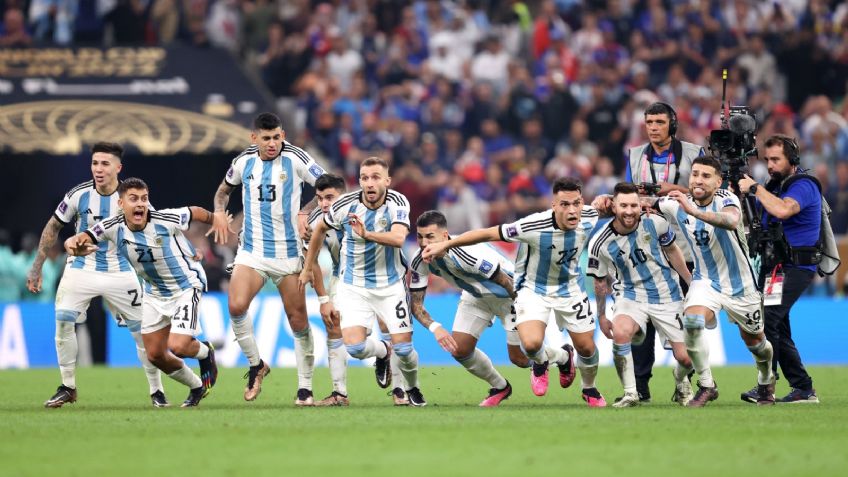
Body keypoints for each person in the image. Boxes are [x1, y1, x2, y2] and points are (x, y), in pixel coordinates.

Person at [423, 178, 608, 407]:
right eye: (564, 204)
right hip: (531, 288)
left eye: (576, 203)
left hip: (562, 289)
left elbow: (614, 207)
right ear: (554, 205)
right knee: (527, 346)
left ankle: (587, 386)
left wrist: (611, 201)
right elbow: (489, 233)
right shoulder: (533, 225)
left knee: (584, 347)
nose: (572, 210)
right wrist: (447, 245)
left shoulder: (589, 215)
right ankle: (506, 382)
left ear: (582, 203)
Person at [27, 142, 167, 408]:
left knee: (143, 333)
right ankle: (68, 386)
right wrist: (37, 266)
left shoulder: (132, 196)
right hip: (82, 268)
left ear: (118, 167)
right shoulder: (78, 195)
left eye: (105, 164)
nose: (98, 169)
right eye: (94, 163)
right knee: (64, 322)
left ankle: (156, 391)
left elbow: (154, 233)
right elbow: (53, 225)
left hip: (121, 270)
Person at [63, 178, 218, 407]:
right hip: (154, 293)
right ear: (121, 203)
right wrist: (72, 245)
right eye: (133, 199)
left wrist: (218, 219)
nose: (140, 204)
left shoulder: (164, 219)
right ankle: (196, 386)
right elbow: (80, 238)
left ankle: (206, 353)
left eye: (144, 199)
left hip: (185, 286)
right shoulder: (111, 226)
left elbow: (194, 212)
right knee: (154, 355)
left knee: (178, 346)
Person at [208, 112, 326, 404]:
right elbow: (223, 193)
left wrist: (306, 210)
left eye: (276, 137)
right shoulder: (243, 161)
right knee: (235, 306)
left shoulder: (297, 158)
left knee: (298, 321)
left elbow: (329, 187)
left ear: (282, 135)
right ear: (254, 138)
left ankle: (305, 387)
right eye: (266, 138)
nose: (272, 143)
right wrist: (220, 212)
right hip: (253, 251)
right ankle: (256, 364)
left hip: (288, 252)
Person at [299, 157, 427, 406]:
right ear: (359, 181)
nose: (370, 183)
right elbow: (319, 231)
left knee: (404, 348)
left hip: (390, 284)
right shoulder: (343, 206)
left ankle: (409, 387)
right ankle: (382, 352)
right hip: (353, 284)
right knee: (355, 347)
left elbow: (399, 238)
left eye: (376, 177)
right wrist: (306, 269)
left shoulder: (398, 202)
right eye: (365, 178)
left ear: (387, 181)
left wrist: (367, 234)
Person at [655, 156, 775, 407]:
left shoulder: (726, 199)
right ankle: (707, 385)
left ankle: (766, 379)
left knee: (756, 343)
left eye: (706, 176)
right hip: (705, 281)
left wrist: (694, 211)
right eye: (695, 174)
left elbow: (731, 220)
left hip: (740, 285)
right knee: (693, 321)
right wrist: (609, 203)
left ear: (718, 181)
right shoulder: (675, 203)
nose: (699, 179)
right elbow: (643, 204)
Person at [587, 182, 694, 408]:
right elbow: (599, 281)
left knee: (686, 358)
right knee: (621, 332)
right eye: (623, 205)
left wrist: (690, 283)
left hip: (667, 294)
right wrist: (602, 316)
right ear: (614, 207)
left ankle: (680, 378)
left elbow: (673, 251)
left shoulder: (656, 222)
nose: (629, 211)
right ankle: (630, 393)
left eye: (633, 205)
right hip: (630, 295)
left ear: (640, 205)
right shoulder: (599, 242)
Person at [410, 210, 531, 407]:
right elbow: (416, 304)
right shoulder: (419, 259)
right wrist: (435, 328)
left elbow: (504, 280)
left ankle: (561, 356)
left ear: (444, 235)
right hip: (475, 296)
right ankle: (500, 387)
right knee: (460, 350)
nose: (424, 243)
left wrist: (523, 306)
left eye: (430, 237)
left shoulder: (466, 252)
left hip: (508, 295)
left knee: (519, 358)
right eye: (420, 237)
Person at [624, 102, 703, 403]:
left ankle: (686, 381)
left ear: (672, 123)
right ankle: (640, 386)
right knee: (641, 323)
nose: (653, 127)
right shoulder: (633, 156)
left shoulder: (695, 154)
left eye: (659, 121)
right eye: (649, 122)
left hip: (686, 247)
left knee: (687, 321)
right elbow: (625, 194)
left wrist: (676, 190)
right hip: (645, 248)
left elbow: (709, 191)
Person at [737, 135, 822, 403]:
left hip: (797, 264)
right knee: (778, 326)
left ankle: (766, 386)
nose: (770, 165)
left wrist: (754, 190)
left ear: (792, 160)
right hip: (777, 267)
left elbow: (785, 210)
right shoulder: (773, 186)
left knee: (769, 318)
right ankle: (803, 388)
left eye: (776, 159)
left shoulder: (804, 185)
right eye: (767, 160)